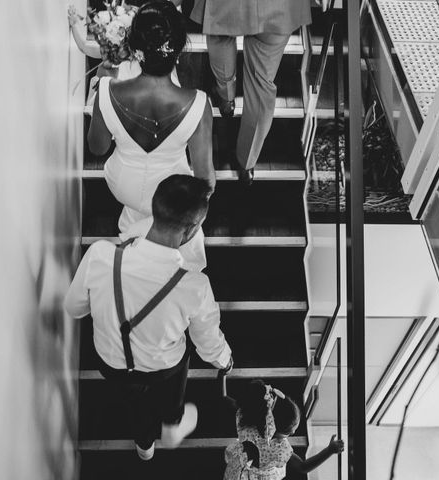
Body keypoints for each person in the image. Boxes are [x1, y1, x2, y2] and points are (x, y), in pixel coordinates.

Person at [64, 175, 233, 460]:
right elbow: (207, 343)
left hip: (110, 363)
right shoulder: (194, 287)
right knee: (183, 356)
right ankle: (172, 423)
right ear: (192, 229)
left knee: (133, 401)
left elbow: (74, 308)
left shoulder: (101, 255)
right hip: (164, 368)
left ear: (155, 209)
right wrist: (225, 359)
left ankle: (144, 445)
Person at [88, 1, 214, 234]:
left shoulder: (107, 90)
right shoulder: (199, 104)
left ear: (135, 47)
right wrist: (192, 227)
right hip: (172, 196)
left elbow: (98, 148)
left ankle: (135, 235)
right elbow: (206, 180)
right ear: (178, 49)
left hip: (123, 184)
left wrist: (103, 92)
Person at [190, 0, 312, 185]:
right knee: (262, 86)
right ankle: (247, 161)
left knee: (220, 35)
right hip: (279, 7)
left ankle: (226, 98)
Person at [223, 380, 344, 479]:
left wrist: (222, 378)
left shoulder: (247, 419)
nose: (293, 432)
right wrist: (329, 451)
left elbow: (225, 399)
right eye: (289, 432)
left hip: (239, 468)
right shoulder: (280, 450)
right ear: (274, 430)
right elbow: (303, 467)